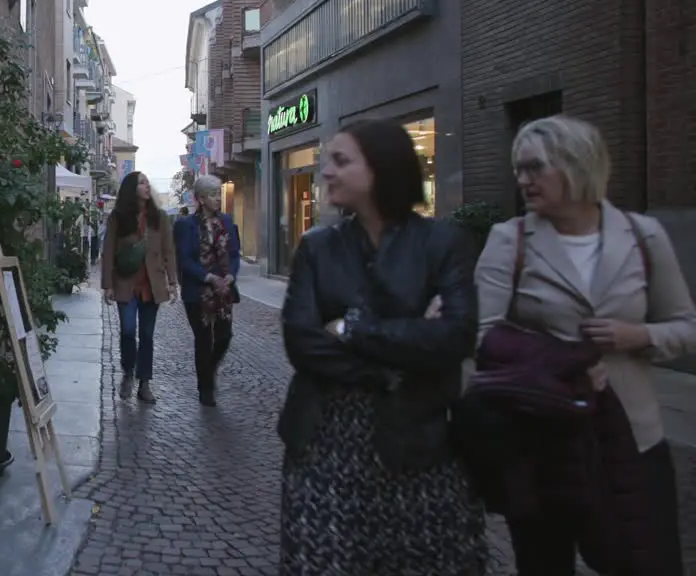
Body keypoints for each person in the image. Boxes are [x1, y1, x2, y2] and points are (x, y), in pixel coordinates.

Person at [473, 115, 696, 575]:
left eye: (534, 167)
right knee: (544, 564)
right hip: (540, 438)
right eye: (518, 169)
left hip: (632, 439)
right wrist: (561, 362)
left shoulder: (642, 236)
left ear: (576, 164)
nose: (522, 180)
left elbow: (686, 325)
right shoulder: (508, 240)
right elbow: (480, 334)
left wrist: (642, 336)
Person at [278, 119, 485, 575]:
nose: (326, 171)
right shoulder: (317, 247)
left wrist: (350, 328)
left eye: (341, 160)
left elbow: (455, 338)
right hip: (323, 446)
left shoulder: (443, 243)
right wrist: (400, 357)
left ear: (382, 168)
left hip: (420, 445)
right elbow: (303, 344)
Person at [101, 172, 177, 403]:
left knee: (147, 335)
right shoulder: (118, 217)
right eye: (141, 183)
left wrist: (172, 282)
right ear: (131, 189)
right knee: (127, 331)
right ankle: (128, 372)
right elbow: (108, 250)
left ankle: (144, 383)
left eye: (147, 182)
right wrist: (107, 285)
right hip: (126, 284)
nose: (146, 186)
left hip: (152, 286)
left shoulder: (160, 217)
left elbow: (168, 250)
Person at [173, 174, 240, 407]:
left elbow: (233, 253)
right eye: (212, 195)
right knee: (203, 339)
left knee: (224, 336)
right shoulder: (185, 225)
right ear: (201, 199)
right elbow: (184, 258)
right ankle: (205, 389)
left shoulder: (227, 222)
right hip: (197, 291)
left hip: (223, 290)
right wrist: (208, 277)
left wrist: (231, 274)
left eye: (218, 194)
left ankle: (209, 371)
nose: (217, 199)